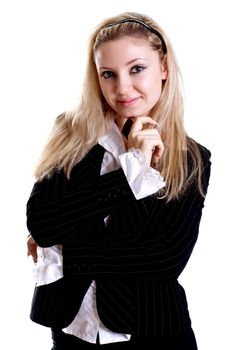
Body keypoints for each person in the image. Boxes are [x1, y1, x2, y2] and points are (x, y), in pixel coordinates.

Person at [26, 11, 211, 350]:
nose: (122, 88)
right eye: (108, 74)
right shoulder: (71, 133)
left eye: (137, 69)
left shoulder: (190, 157)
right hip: (71, 332)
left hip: (152, 335)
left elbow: (163, 260)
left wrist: (62, 249)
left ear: (164, 67)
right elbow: (42, 222)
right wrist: (131, 171)